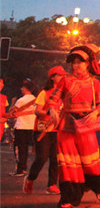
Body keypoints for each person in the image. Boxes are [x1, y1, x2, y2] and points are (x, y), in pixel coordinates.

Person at [50, 44, 100, 208]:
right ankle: (69, 197)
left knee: (90, 162)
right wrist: (53, 110)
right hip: (66, 126)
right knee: (68, 164)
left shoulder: (94, 83)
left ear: (88, 64)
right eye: (74, 62)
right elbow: (53, 99)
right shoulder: (65, 81)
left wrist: (96, 113)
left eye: (80, 62)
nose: (76, 65)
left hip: (86, 126)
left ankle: (98, 187)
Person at [24, 66, 66, 194]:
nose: (62, 78)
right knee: (41, 158)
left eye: (64, 75)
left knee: (55, 159)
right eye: (60, 75)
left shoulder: (64, 94)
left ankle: (51, 185)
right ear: (52, 77)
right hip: (43, 129)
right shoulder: (45, 93)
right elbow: (37, 111)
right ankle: (30, 179)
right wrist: (49, 112)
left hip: (57, 130)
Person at [10, 79, 37, 176]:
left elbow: (12, 112)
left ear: (25, 88)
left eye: (22, 87)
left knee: (20, 149)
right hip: (32, 126)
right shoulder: (36, 99)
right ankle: (26, 169)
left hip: (21, 126)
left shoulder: (21, 100)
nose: (21, 89)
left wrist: (13, 102)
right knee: (29, 148)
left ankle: (20, 169)